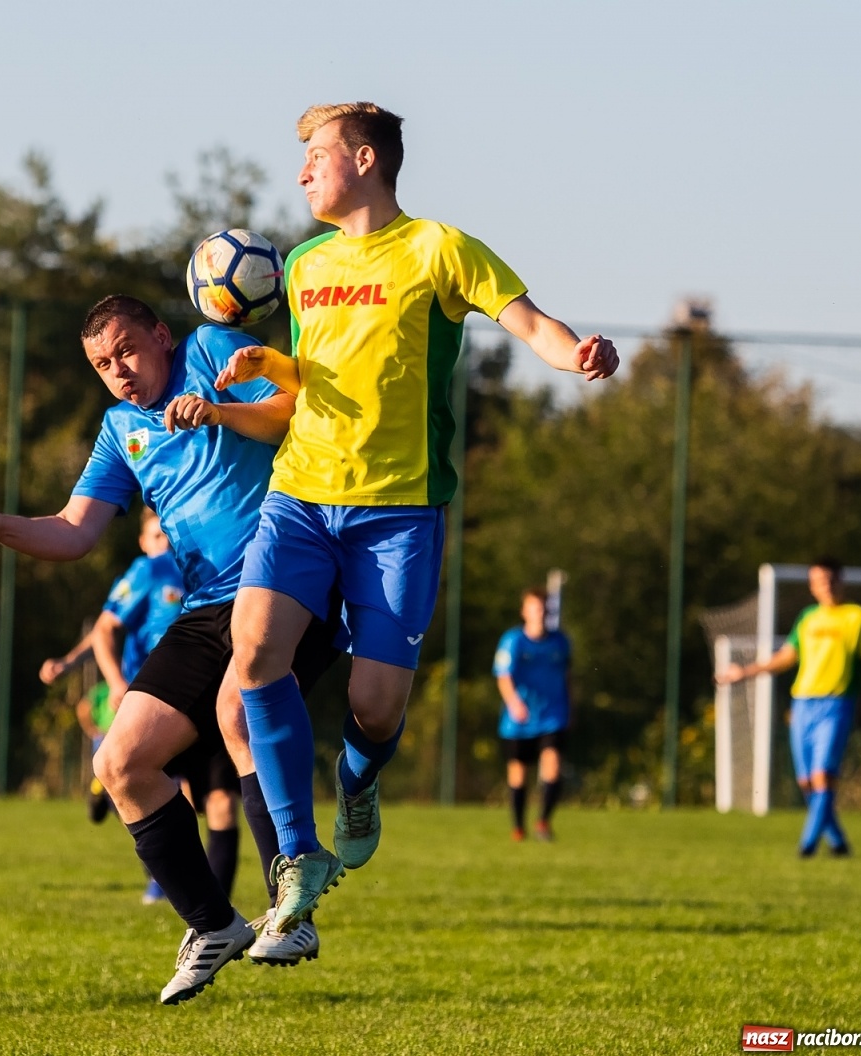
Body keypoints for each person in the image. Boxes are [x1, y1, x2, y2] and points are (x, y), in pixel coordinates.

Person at [216, 100, 621, 934]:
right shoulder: (300, 265)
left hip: (399, 511)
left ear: (365, 159)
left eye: (315, 156)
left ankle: (358, 783)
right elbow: (308, 383)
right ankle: (296, 857)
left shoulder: (440, 247)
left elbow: (531, 323)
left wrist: (576, 352)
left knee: (376, 707)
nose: (301, 173)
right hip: (300, 495)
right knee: (254, 651)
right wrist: (270, 365)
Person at [0, 295, 343, 1005]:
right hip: (204, 608)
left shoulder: (208, 351)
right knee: (119, 762)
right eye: (103, 364)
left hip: (285, 577)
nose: (120, 372)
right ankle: (213, 924)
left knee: (237, 710)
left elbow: (294, 411)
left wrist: (218, 410)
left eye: (127, 350)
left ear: (162, 337)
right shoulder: (118, 428)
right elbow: (75, 532)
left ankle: (292, 905)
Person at [42, 510, 240, 906]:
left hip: (220, 697)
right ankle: (164, 878)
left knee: (222, 804)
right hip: (161, 702)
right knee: (164, 791)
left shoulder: (224, 561)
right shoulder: (151, 572)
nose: (165, 541)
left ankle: (219, 910)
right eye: (157, 533)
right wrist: (114, 681)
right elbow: (105, 627)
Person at [717, 558, 861, 857]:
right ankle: (839, 843)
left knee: (822, 775)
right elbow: (786, 657)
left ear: (841, 581)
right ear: (812, 585)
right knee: (806, 781)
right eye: (819, 581)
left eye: (831, 580)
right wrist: (744, 672)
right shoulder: (808, 619)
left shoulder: (858, 618)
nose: (826, 586)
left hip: (837, 702)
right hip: (803, 703)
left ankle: (807, 845)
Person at [494, 588, 573, 842]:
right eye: (534, 607)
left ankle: (543, 823)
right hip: (519, 719)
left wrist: (571, 706)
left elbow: (567, 675)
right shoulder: (513, 641)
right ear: (524, 611)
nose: (539, 613)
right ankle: (518, 827)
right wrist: (514, 703)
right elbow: (503, 675)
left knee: (553, 766)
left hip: (553, 716)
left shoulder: (560, 642)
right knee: (519, 774)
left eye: (543, 608)